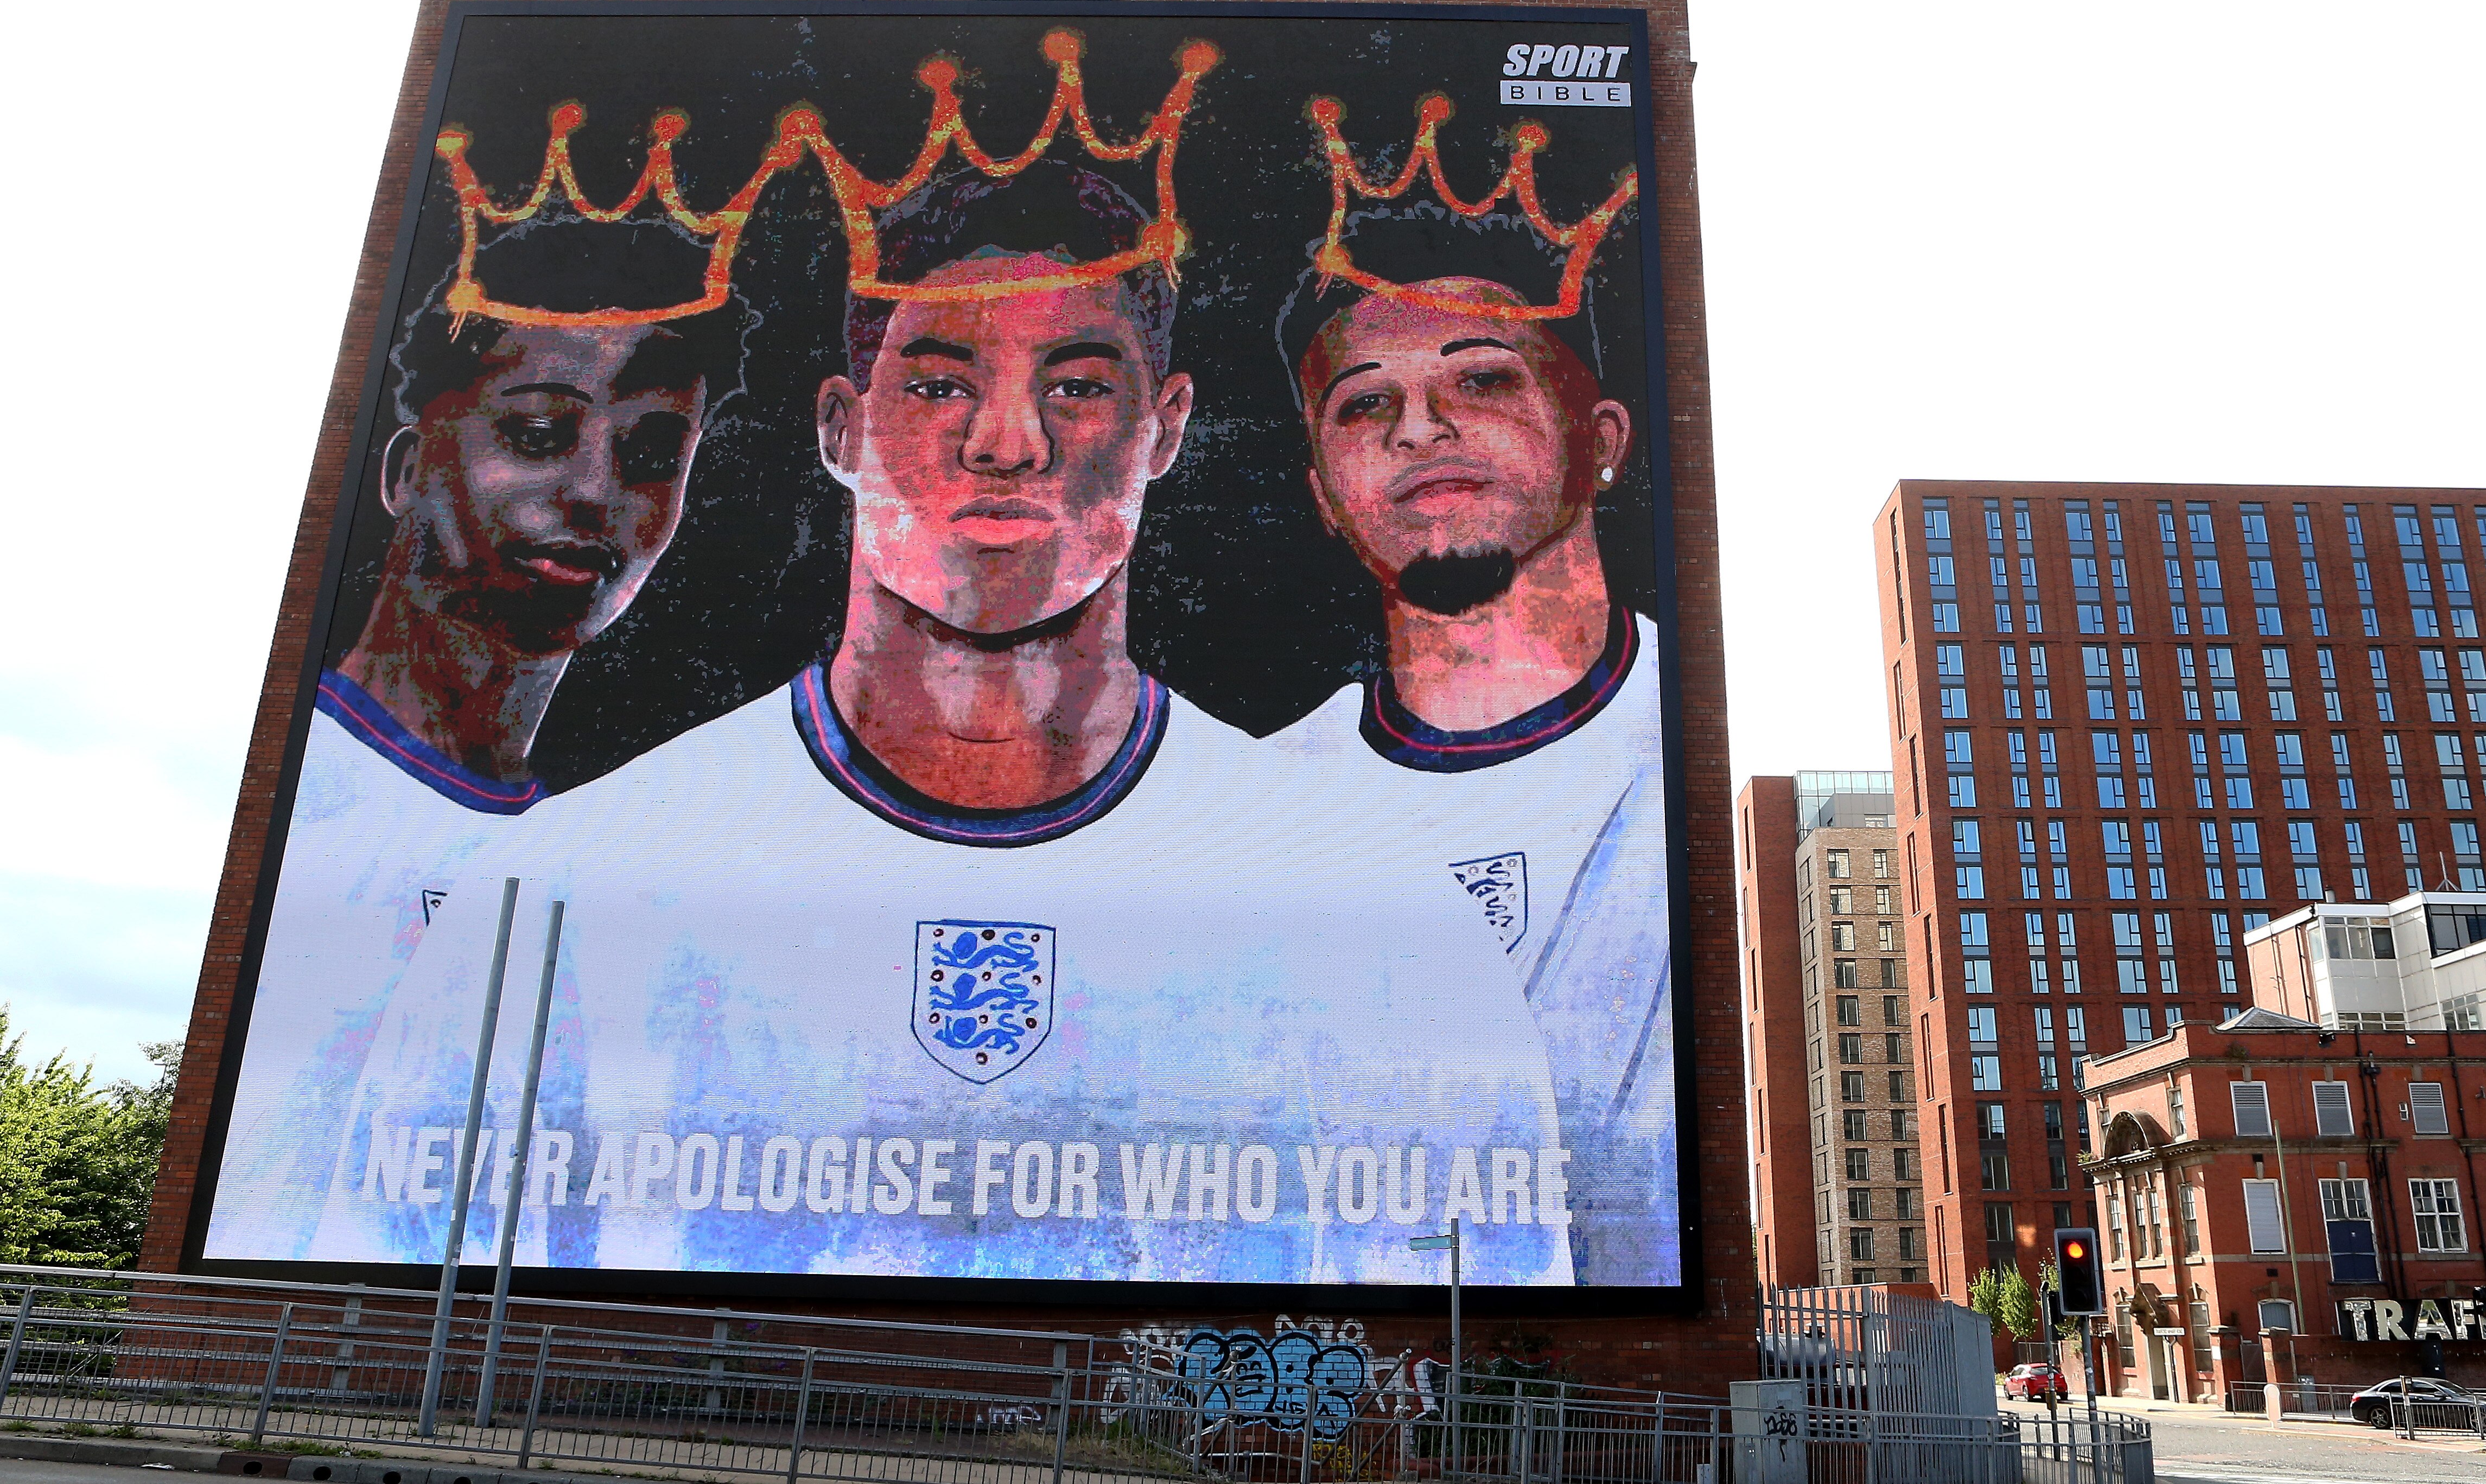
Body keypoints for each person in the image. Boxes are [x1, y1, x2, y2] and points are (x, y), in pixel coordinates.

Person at [327, 164, 1573, 1287]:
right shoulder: (564, 885)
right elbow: (377, 1326)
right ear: (840, 429)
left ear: (1168, 426)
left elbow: (1483, 1376)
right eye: (937, 383)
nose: (1007, 442)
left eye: (1078, 386)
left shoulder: (1373, 904)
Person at [203, 216, 747, 1263]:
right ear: (406, 468)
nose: (596, 491)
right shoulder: (306, 785)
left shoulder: (613, 859)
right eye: (540, 432)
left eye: (649, 453)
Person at [1265, 201, 1678, 1288]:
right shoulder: (1252, 811)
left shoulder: (1690, 753)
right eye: (1366, 406)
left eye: (1482, 380)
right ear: (1322, 495)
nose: (1419, 429)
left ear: (1604, 439)